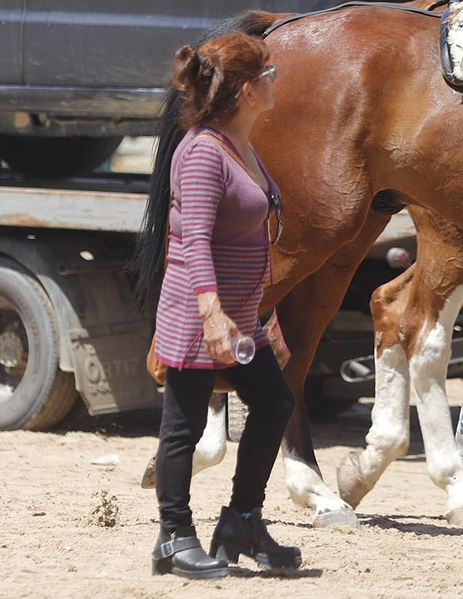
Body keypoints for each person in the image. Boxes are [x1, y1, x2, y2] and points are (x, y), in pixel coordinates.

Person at [147, 31, 301, 580]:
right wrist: (211, 313)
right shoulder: (201, 151)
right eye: (268, 74)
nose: (275, 80)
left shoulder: (241, 144)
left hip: (240, 319)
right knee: (183, 427)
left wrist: (256, 311)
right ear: (243, 88)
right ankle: (173, 537)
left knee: (275, 403)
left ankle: (241, 521)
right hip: (200, 316)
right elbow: (193, 242)